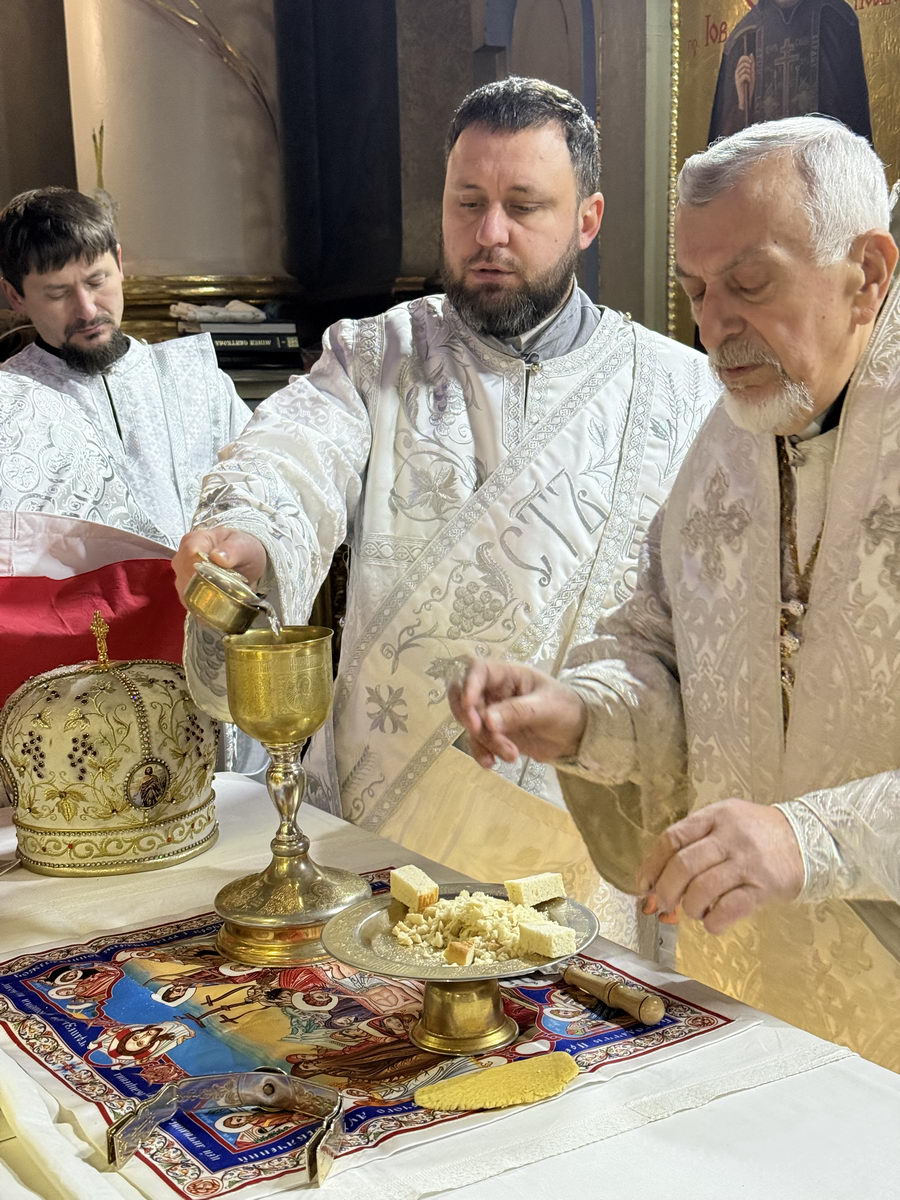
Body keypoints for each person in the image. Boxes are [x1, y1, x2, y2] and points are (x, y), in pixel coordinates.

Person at [173, 77, 719, 951]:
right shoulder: (376, 355)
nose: (489, 233)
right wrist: (252, 530)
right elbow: (294, 451)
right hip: (384, 832)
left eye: (523, 206)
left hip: (583, 841)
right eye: (468, 203)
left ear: (588, 219)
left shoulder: (680, 391)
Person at [449, 116, 900, 1069]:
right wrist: (581, 713)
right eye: (696, 290)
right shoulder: (730, 441)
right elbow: (658, 646)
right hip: (743, 989)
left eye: (749, 283)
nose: (714, 329)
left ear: (867, 272)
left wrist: (812, 841)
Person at [0, 187, 251, 549]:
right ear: (15, 296)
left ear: (118, 263)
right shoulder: (10, 403)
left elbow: (259, 492)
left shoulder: (198, 379)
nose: (87, 310)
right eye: (57, 293)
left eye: (96, 281)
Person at [708, 0, 872, 144]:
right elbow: (723, 149)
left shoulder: (834, 18)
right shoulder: (743, 37)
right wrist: (742, 105)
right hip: (764, 165)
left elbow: (851, 114)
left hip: (820, 162)